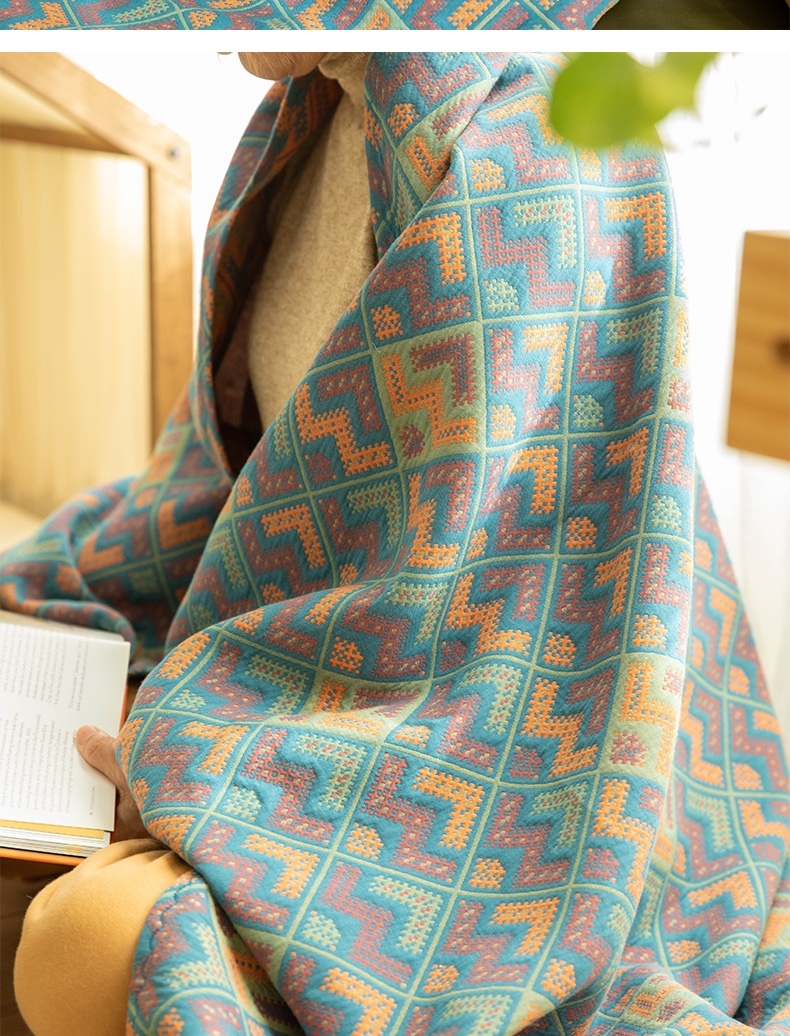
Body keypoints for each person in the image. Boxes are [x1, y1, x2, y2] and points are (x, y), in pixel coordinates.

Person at [5, 51, 790, 1036]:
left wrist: (182, 752)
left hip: (513, 766)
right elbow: (229, 478)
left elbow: (457, 636)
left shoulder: (542, 158)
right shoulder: (298, 120)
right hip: (315, 695)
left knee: (84, 943)